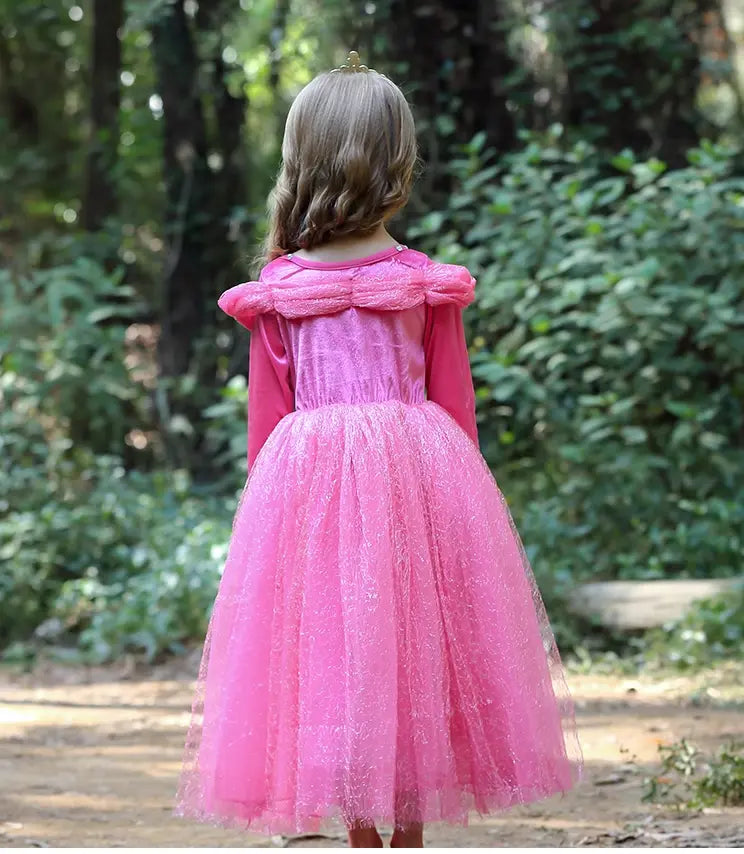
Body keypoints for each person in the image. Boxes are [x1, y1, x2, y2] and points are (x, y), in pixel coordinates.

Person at [174, 51, 583, 848]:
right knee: (408, 668)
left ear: (301, 163)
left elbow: (269, 425)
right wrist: (464, 528)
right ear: (399, 160)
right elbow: (454, 409)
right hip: (417, 487)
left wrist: (272, 533)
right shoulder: (417, 280)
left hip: (315, 499)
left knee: (346, 671)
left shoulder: (285, 288)